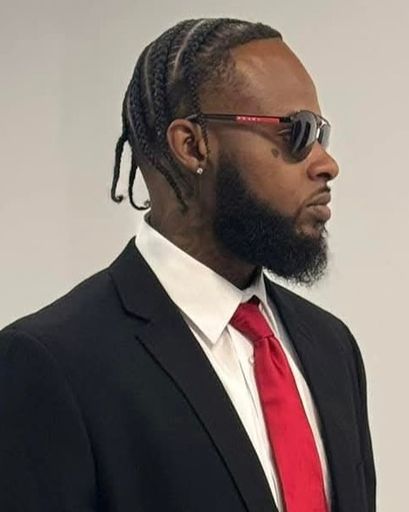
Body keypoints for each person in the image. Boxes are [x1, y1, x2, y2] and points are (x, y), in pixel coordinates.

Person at [0, 17, 376, 512]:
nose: (327, 163)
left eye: (322, 134)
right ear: (193, 146)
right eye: (298, 132)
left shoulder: (330, 347)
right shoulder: (51, 364)